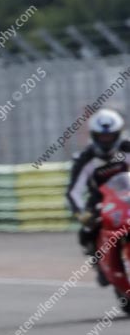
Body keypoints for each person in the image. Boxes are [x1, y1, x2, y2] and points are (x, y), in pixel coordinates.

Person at [67, 108, 130, 284]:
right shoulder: (85, 159)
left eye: (109, 136)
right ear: (94, 136)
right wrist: (81, 213)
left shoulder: (127, 148)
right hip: (101, 201)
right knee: (86, 230)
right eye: (102, 137)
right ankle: (99, 262)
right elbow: (74, 191)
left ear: (118, 134)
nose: (106, 140)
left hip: (128, 196)